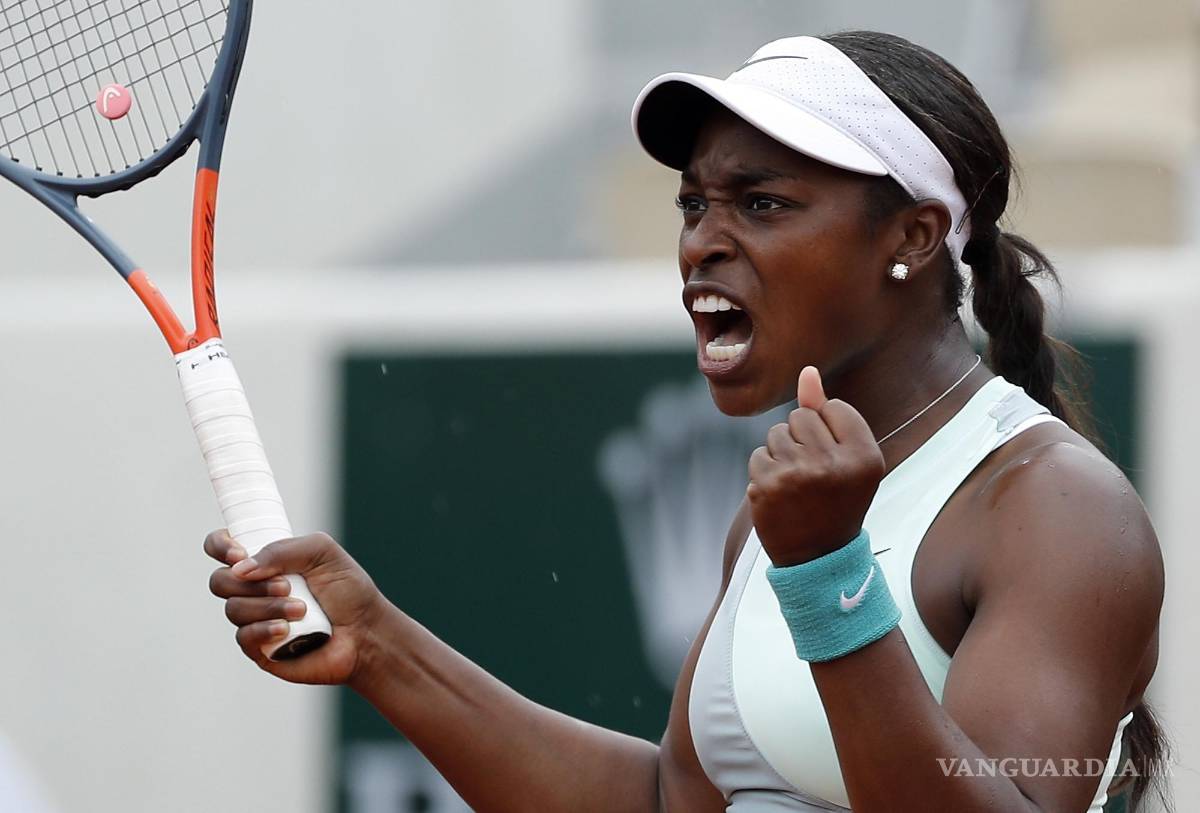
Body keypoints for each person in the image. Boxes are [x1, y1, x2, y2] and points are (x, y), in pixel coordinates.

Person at [205, 31, 1167, 812]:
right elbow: (669, 803)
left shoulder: (1057, 509)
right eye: (694, 202)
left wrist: (831, 580)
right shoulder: (778, 517)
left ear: (913, 237)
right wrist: (377, 644)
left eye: (761, 202)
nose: (703, 241)